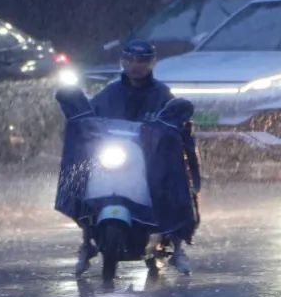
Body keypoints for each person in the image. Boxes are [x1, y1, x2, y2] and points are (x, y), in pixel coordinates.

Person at [75, 38, 201, 277]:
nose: (136, 65)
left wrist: (176, 130)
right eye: (130, 60)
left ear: (152, 63)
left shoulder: (162, 94)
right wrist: (80, 125)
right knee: (82, 184)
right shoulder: (110, 93)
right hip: (115, 157)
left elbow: (176, 122)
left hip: (150, 159)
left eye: (142, 60)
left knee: (173, 187)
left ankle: (177, 246)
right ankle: (86, 242)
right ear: (122, 61)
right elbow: (89, 118)